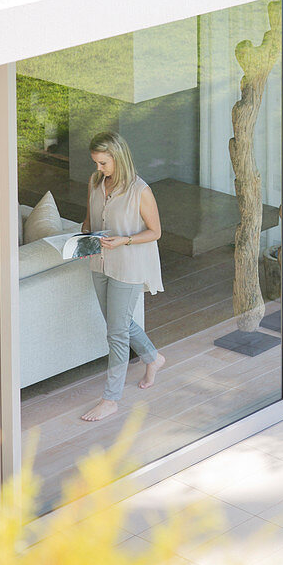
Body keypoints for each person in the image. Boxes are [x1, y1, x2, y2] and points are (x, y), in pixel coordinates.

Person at [80, 131, 166, 422]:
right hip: (99, 263)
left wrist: (124, 240)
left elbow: (155, 232)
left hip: (127, 266)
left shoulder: (140, 191)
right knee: (119, 323)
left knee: (116, 332)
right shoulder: (94, 182)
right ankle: (153, 358)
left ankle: (111, 399)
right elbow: (90, 220)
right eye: (96, 163)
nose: (98, 169)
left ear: (118, 157)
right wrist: (82, 235)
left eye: (103, 163)